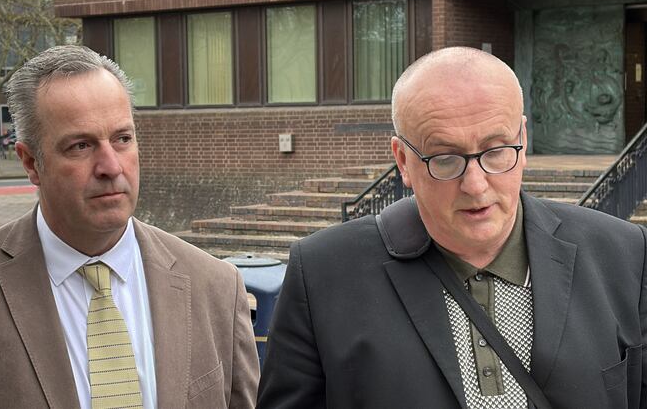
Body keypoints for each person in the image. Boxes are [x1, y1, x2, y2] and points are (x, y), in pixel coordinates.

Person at [257, 47, 647, 408]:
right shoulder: (323, 271)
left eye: (496, 151)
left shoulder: (624, 253)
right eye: (444, 159)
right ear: (403, 161)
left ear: (523, 141)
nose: (476, 185)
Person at [0, 45, 259, 408]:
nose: (111, 166)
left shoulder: (216, 288)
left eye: (122, 139)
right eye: (80, 146)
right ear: (31, 162)